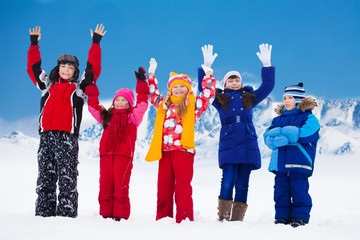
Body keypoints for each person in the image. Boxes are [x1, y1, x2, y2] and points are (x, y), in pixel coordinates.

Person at [27, 24, 106, 217]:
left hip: (67, 138)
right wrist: (34, 44)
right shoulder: (47, 85)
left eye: (70, 67)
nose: (66, 69)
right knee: (45, 177)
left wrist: (95, 43)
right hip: (46, 137)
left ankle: (66, 214)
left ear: (75, 71)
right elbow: (33, 68)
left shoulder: (80, 88)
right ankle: (44, 213)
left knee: (67, 178)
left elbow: (92, 70)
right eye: (63, 66)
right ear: (58, 68)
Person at [198, 44, 275, 221]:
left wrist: (267, 65)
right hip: (229, 142)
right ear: (225, 84)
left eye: (237, 80)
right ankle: (224, 218)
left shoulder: (250, 98)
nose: (234, 83)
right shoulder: (219, 99)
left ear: (241, 83)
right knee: (228, 180)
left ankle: (237, 220)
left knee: (243, 184)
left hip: (248, 142)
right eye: (230, 80)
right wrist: (205, 68)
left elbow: (268, 85)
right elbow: (204, 91)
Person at [145, 48, 216, 223]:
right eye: (174, 87)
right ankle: (163, 218)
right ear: (170, 89)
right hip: (165, 151)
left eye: (181, 87)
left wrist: (208, 74)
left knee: (183, 188)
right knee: (163, 188)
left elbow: (207, 96)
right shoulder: (163, 104)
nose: (178, 89)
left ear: (187, 89)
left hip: (183, 151)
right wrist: (151, 74)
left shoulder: (192, 105)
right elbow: (152, 93)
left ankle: (184, 219)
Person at [85, 67, 149, 221]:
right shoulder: (106, 116)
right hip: (106, 155)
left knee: (120, 186)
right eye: (118, 100)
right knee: (105, 185)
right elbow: (92, 106)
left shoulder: (132, 118)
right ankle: (105, 214)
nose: (120, 102)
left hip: (124, 155)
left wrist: (141, 84)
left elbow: (142, 105)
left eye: (124, 100)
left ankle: (120, 216)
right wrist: (91, 85)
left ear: (129, 103)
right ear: (113, 102)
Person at [263, 83, 320, 227]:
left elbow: (309, 132)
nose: (286, 101)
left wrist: (287, 134)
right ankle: (282, 216)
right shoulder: (277, 120)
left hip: (299, 161)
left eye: (290, 98)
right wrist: (272, 138)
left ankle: (300, 216)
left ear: (299, 100)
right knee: (280, 191)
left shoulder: (308, 117)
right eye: (284, 98)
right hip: (280, 163)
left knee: (299, 189)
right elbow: (267, 136)